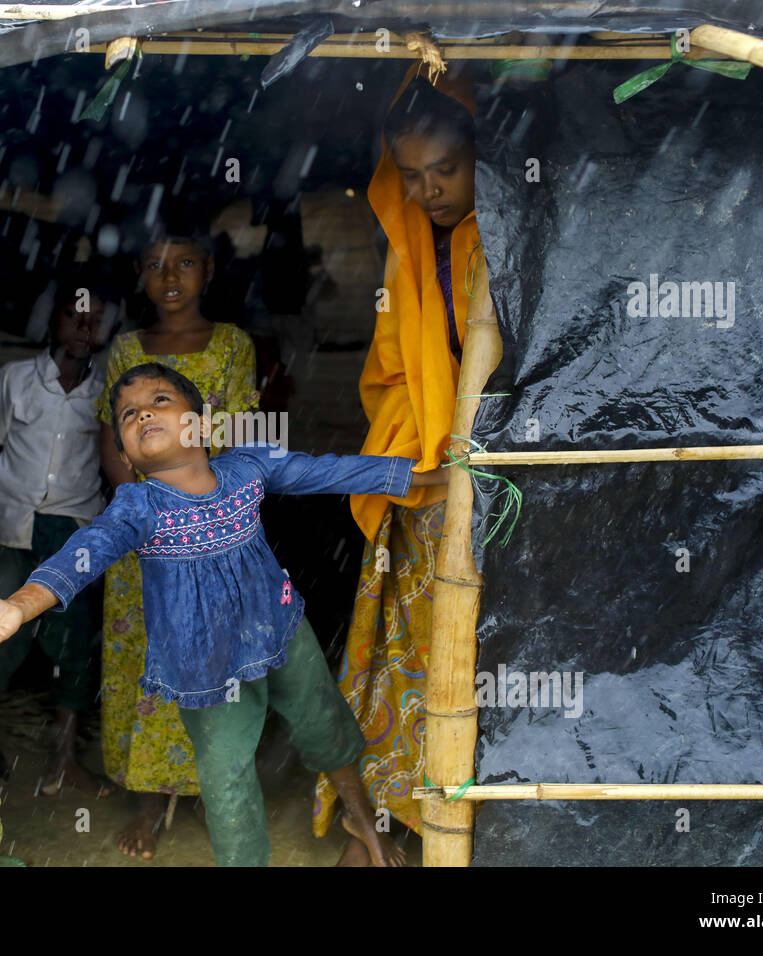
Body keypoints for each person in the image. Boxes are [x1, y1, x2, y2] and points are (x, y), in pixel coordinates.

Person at [0, 363, 447, 866]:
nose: (143, 412)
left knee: (328, 728)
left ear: (202, 426)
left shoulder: (247, 468)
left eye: (160, 400)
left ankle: (360, 819)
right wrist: (17, 604)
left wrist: (431, 475)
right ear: (125, 456)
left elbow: (330, 470)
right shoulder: (137, 506)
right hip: (207, 672)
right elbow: (83, 555)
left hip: (282, 633)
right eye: (128, 415)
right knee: (228, 786)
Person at [312, 66, 490, 864]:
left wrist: (477, 459)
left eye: (444, 172)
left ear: (479, 158)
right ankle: (388, 821)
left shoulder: (515, 243)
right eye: (411, 176)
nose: (427, 191)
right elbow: (389, 375)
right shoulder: (408, 257)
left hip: (503, 494)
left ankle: (472, 821)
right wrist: (415, 457)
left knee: (490, 667)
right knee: (407, 660)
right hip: (420, 489)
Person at [92, 229, 260, 858]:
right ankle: (148, 794)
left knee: (213, 654)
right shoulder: (127, 350)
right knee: (145, 656)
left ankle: (211, 785)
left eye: (185, 264)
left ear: (208, 271)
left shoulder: (232, 346)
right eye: (157, 265)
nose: (171, 277)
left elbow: (241, 439)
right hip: (144, 533)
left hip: (212, 529)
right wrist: (138, 510)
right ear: (140, 272)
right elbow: (111, 438)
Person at [0, 275, 116, 796]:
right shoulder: (15, 379)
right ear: (54, 321)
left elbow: (109, 465)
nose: (84, 328)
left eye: (96, 320)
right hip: (11, 527)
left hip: (73, 529)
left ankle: (64, 762)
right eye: (75, 316)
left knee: (73, 644)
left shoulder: (108, 389)